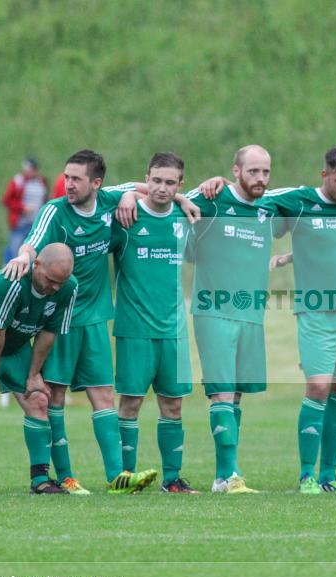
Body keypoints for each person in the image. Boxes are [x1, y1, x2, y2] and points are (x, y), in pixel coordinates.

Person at [200, 146, 336, 494]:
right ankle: (307, 477)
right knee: (318, 386)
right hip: (315, 311)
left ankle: (330, 476)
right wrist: (216, 182)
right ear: (324, 175)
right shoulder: (297, 201)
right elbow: (249, 199)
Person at [3, 149, 171, 495]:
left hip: (95, 318)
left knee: (103, 395)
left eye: (77, 178)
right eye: (67, 176)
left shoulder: (109, 200)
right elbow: (33, 243)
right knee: (55, 396)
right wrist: (23, 256)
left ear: (97, 183)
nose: (69, 184)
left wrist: (160, 198)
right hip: (58, 319)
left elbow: (152, 189)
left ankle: (117, 478)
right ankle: (65, 478)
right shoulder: (55, 210)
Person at [0, 243, 76, 495]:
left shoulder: (68, 288)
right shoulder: (11, 282)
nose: (54, 288)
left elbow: (49, 333)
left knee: (38, 399)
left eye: (60, 283)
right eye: (51, 280)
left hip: (14, 343)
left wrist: (33, 375)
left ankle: (40, 479)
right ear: (36, 265)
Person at [185, 145, 276, 494]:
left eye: (266, 172)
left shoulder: (269, 206)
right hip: (213, 311)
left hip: (250, 314)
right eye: (253, 171)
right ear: (236, 171)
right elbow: (171, 198)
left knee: (236, 395)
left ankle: (225, 476)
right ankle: (229, 475)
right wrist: (206, 185)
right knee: (221, 394)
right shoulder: (213, 199)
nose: (261, 178)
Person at [111, 152, 199, 494]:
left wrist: (184, 200)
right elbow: (99, 194)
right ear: (146, 178)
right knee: (130, 403)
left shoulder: (184, 215)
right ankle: (125, 477)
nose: (161, 188)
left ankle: (172, 479)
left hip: (173, 329)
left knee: (173, 405)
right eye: (156, 180)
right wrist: (127, 193)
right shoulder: (126, 216)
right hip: (134, 328)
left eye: (170, 183)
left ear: (181, 185)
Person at [2, 158, 48, 264]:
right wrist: (22, 208)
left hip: (35, 224)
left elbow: (44, 198)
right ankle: (9, 273)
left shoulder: (42, 182)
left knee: (34, 251)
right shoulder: (18, 181)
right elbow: (7, 200)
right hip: (20, 224)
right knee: (14, 250)